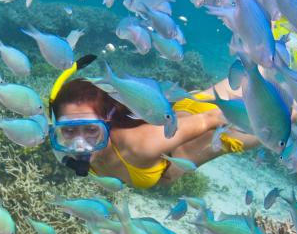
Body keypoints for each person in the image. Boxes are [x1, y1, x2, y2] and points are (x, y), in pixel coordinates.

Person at [47, 55, 264, 189]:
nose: (80, 145)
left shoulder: (140, 145)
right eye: (69, 131)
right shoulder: (63, 150)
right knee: (259, 61)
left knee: (283, 107)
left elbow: (212, 118)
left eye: (91, 130)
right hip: (182, 112)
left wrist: (246, 117)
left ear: (108, 123)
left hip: (221, 131)